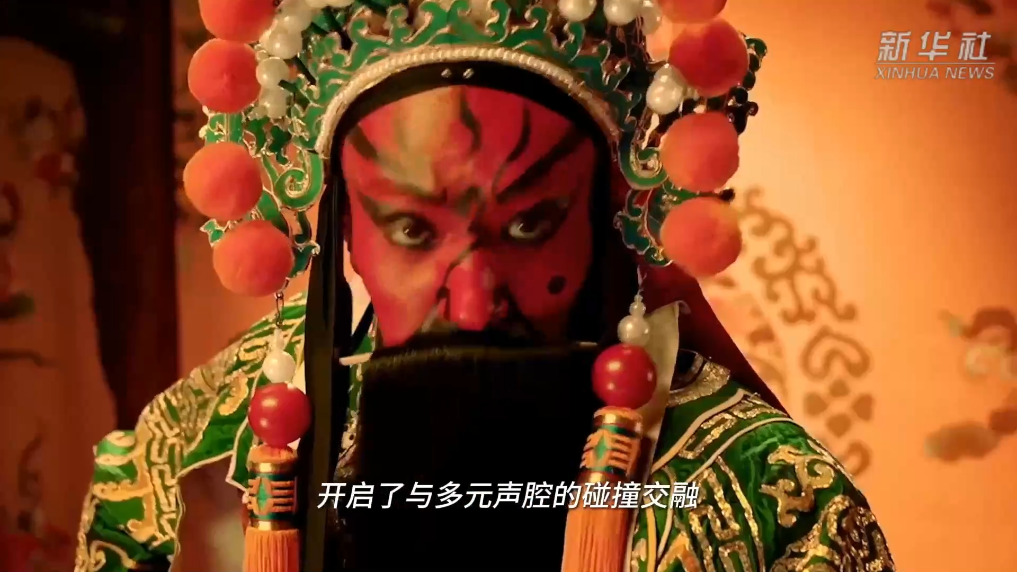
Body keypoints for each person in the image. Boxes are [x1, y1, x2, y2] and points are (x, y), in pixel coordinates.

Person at [74, 0, 896, 571]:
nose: (472, 303)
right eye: (411, 232)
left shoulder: (768, 495)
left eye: (530, 227)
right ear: (344, 227)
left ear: (606, 214)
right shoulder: (187, 455)